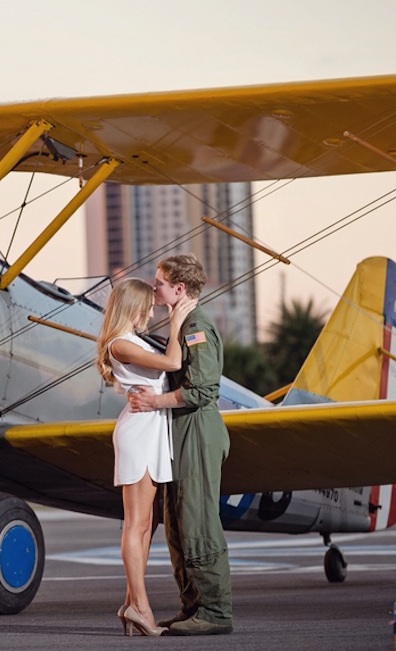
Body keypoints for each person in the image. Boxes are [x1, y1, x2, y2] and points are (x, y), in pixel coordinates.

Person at [127, 253, 233, 636]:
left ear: (180, 288)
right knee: (176, 523)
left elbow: (203, 389)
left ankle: (216, 612)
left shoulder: (196, 327)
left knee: (197, 522)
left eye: (159, 283)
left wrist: (154, 402)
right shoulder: (181, 323)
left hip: (197, 431)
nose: (154, 288)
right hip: (181, 433)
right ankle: (193, 607)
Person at [96, 277, 196, 637]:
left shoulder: (132, 341)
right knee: (135, 524)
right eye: (148, 305)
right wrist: (177, 319)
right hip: (138, 432)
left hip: (149, 429)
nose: (151, 310)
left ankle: (130, 602)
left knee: (146, 524)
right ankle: (140, 607)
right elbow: (172, 361)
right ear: (132, 305)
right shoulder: (121, 344)